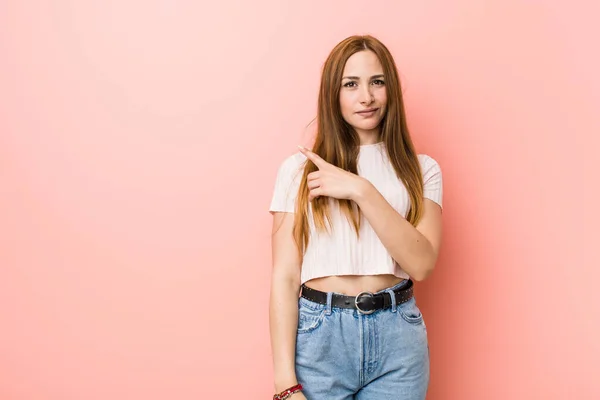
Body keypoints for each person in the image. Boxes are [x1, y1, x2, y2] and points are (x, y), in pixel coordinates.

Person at [268, 34, 443, 400]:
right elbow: (284, 277)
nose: (366, 96)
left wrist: (361, 190)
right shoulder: (299, 170)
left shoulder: (421, 169)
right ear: (334, 93)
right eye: (351, 84)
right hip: (320, 338)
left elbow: (422, 263)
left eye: (377, 82)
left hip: (398, 337)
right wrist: (285, 383)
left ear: (390, 89)